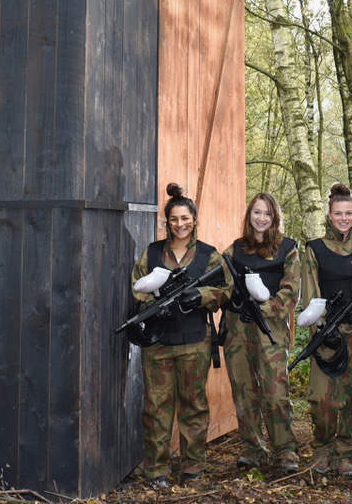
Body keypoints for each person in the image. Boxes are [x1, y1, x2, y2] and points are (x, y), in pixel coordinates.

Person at [129, 183, 231, 488]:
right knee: (156, 408)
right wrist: (152, 304)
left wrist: (199, 297)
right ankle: (156, 470)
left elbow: (226, 290)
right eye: (174, 219)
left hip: (194, 341)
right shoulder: (152, 253)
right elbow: (135, 285)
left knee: (193, 407)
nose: (180, 224)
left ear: (194, 220)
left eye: (185, 218)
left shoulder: (210, 256)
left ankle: (193, 469)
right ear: (167, 222)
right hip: (158, 343)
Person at [296, 183, 352, 477]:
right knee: (321, 397)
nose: (344, 218)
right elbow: (310, 296)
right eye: (338, 213)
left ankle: (346, 449)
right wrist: (322, 325)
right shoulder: (315, 248)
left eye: (349, 213)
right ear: (330, 214)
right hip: (327, 330)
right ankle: (322, 448)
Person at [222, 192, 300, 473]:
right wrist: (235, 299)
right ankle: (253, 449)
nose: (261, 218)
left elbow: (291, 291)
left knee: (275, 391)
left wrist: (265, 307)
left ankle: (285, 449)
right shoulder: (234, 250)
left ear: (275, 218)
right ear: (249, 215)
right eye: (257, 212)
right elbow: (223, 286)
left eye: (267, 213)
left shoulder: (288, 248)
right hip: (238, 328)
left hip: (271, 329)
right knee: (244, 390)